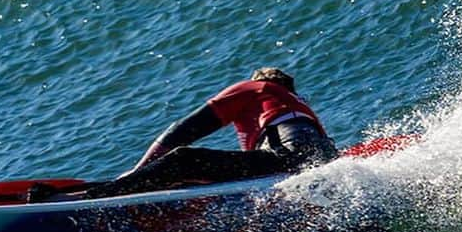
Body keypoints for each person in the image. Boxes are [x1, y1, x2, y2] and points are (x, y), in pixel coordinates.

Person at [32, 67, 338, 201]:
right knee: (185, 175)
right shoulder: (300, 108)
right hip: (314, 160)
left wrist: (138, 170)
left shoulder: (254, 88)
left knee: (182, 161)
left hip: (288, 157)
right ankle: (98, 190)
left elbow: (184, 131)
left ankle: (83, 197)